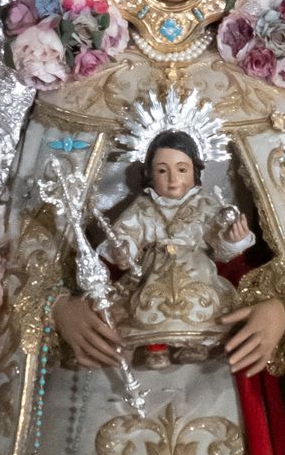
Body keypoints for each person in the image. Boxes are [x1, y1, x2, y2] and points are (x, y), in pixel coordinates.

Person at [96, 124, 254, 358]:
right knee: (150, 305)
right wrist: (124, 248)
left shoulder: (205, 204)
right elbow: (126, 234)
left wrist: (232, 239)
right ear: (149, 173)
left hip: (197, 269)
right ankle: (155, 347)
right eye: (162, 171)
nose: (173, 179)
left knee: (201, 302)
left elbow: (219, 245)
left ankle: (196, 344)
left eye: (182, 169)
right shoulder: (142, 206)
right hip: (154, 269)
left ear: (195, 171)